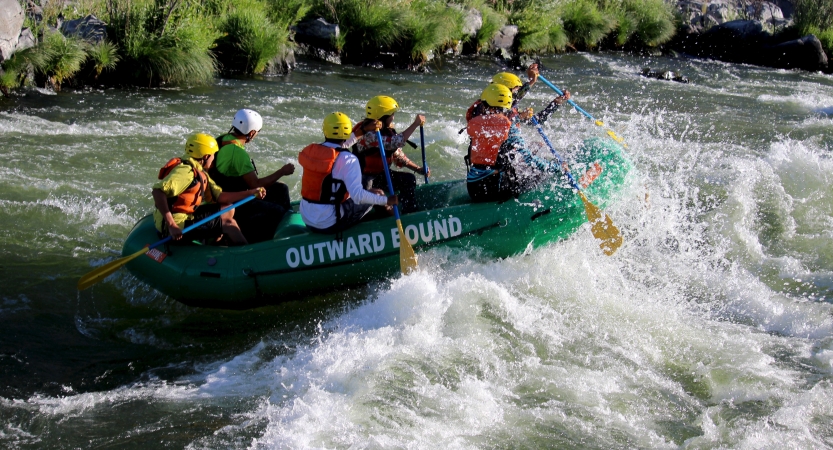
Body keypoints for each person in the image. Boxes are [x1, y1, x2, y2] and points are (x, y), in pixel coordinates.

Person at [152, 133, 266, 246]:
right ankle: (244, 254)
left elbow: (220, 196)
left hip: (186, 215)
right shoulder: (186, 173)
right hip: (175, 226)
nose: (214, 158)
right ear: (206, 156)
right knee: (228, 223)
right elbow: (158, 191)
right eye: (213, 155)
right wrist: (171, 225)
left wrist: (251, 192)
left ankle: (215, 242)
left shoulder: (198, 169)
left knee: (228, 208)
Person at [299, 112, 398, 234]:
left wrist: (364, 130)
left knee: (368, 194)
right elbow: (358, 196)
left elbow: (340, 145)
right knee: (379, 194)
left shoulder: (312, 151)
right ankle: (396, 229)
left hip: (307, 218)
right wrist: (387, 201)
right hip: (329, 222)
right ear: (347, 131)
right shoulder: (348, 159)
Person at [208, 108, 295, 242]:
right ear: (252, 133)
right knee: (276, 211)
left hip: (224, 193)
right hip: (233, 201)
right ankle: (265, 241)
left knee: (280, 189)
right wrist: (282, 171)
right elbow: (256, 184)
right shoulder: (237, 153)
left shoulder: (222, 139)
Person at [466, 84, 563, 203]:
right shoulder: (509, 127)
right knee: (542, 173)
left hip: (473, 187)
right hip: (494, 188)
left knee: (515, 168)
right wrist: (556, 168)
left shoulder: (475, 123)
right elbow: (529, 159)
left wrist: (518, 118)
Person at [351, 95, 428, 214]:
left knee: (408, 179)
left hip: (379, 175)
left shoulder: (386, 130)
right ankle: (384, 216)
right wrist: (415, 124)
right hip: (364, 179)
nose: (393, 117)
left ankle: (408, 212)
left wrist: (418, 169)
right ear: (382, 116)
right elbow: (396, 142)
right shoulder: (369, 134)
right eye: (391, 114)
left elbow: (397, 155)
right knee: (379, 206)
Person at [466, 64, 571, 126]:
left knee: (537, 146)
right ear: (503, 90)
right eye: (516, 91)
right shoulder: (483, 109)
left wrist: (556, 103)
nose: (517, 95)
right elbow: (495, 124)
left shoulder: (502, 105)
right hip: (496, 157)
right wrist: (519, 117)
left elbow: (538, 120)